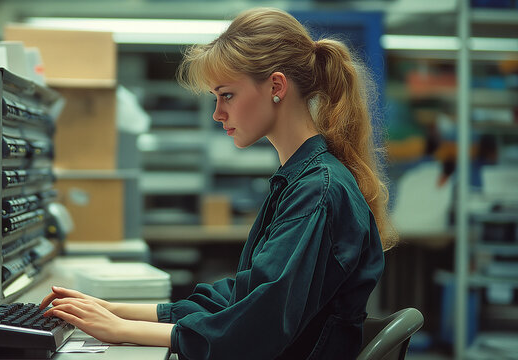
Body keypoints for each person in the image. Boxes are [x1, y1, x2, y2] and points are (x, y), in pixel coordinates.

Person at [40, 7, 397, 359]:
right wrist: (115, 310)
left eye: (227, 95)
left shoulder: (317, 191)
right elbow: (243, 295)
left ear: (276, 86)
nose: (217, 113)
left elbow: (255, 329)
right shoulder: (302, 180)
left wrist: (119, 331)